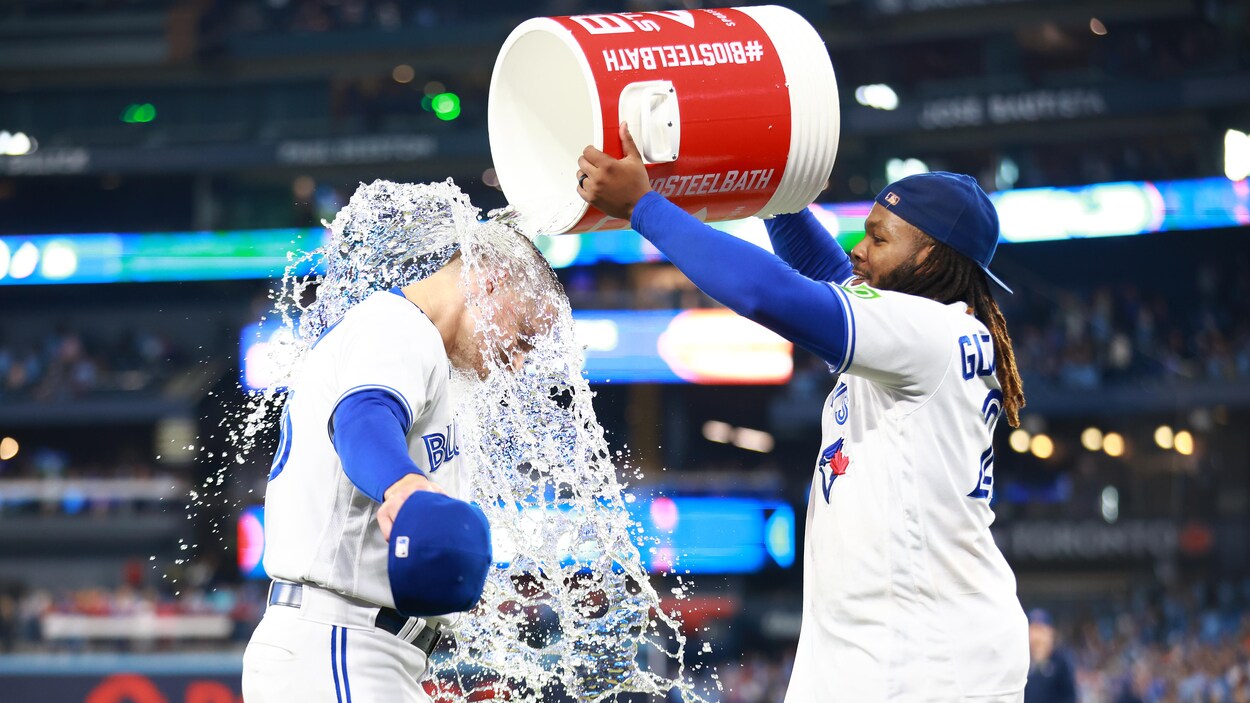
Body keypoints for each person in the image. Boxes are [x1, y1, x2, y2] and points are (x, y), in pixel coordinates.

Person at [577, 124, 1029, 702]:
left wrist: (644, 208)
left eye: (880, 238)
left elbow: (772, 295)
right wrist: (770, 181)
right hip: (896, 644)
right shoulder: (926, 327)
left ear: (932, 258)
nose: (859, 250)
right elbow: (827, 271)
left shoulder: (928, 331)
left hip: (922, 657)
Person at [242, 235, 561, 703]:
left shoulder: (425, 348)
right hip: (340, 642)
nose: (516, 362)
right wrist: (403, 485)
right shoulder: (397, 327)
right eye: (524, 336)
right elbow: (363, 417)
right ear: (491, 282)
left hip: (352, 647)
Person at [1024, 609, 1077, 703]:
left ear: (1050, 633)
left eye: (1041, 631)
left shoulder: (1060, 663)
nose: (1037, 636)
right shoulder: (1022, 662)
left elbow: (1069, 697)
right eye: (1034, 630)